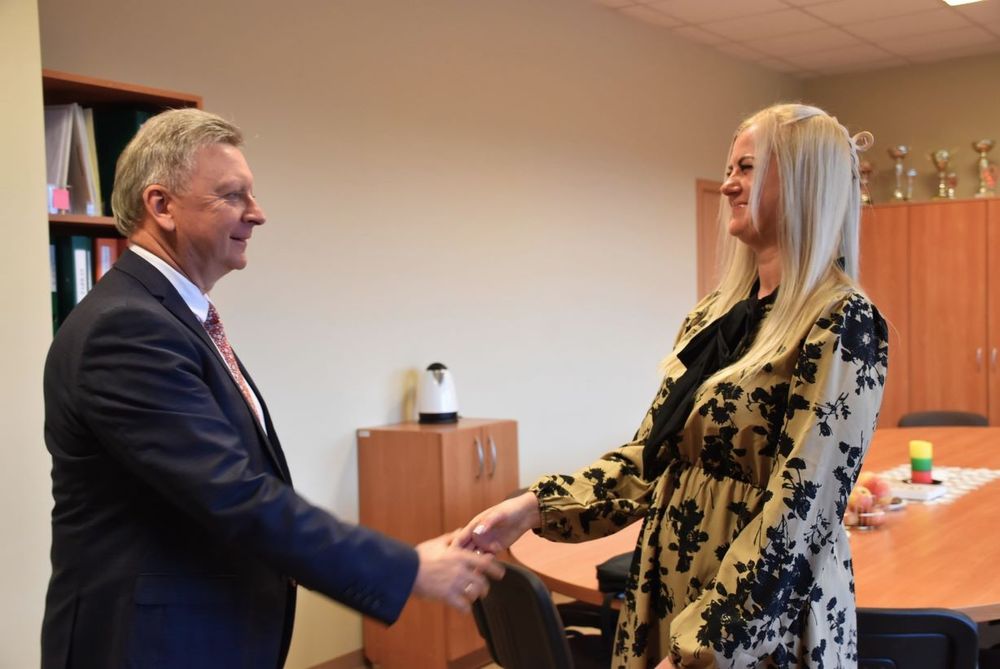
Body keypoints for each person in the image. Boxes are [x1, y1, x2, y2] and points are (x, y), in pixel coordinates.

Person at [41, 108, 502, 669]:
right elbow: (231, 493)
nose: (257, 213)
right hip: (150, 645)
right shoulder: (127, 327)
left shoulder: (172, 317)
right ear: (161, 206)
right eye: (232, 195)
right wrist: (406, 570)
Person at [456, 103, 888, 669]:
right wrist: (535, 507)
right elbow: (650, 458)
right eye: (730, 169)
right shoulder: (714, 317)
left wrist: (701, 651)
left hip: (753, 626)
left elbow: (799, 518)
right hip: (670, 584)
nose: (728, 185)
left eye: (747, 168)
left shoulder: (842, 321)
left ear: (806, 182)